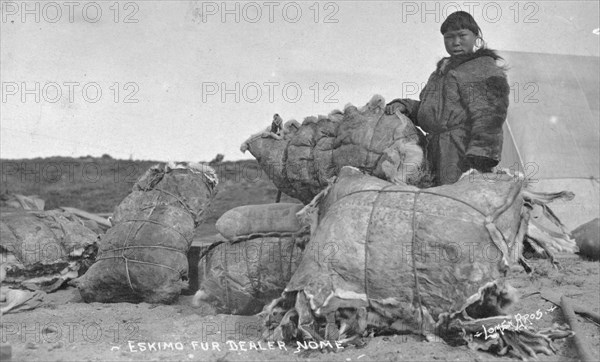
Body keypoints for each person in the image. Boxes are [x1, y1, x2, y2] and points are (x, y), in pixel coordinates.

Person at [385, 11, 510, 186]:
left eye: (462, 35)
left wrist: (482, 155)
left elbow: (490, 116)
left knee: (455, 203)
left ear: (476, 36)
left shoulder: (481, 70)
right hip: (434, 149)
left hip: (460, 151)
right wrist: (405, 106)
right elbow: (432, 110)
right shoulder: (442, 72)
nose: (456, 42)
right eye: (449, 37)